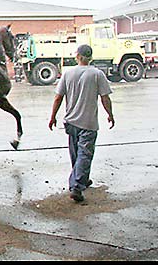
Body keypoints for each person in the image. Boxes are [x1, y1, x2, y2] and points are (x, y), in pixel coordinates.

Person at [48, 44, 115, 203]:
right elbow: (105, 98)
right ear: (90, 57)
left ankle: (82, 179)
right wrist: (110, 115)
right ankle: (77, 186)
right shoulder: (97, 74)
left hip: (70, 121)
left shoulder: (68, 73)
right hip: (88, 123)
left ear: (77, 56)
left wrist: (53, 116)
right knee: (84, 154)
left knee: (76, 154)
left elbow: (58, 97)